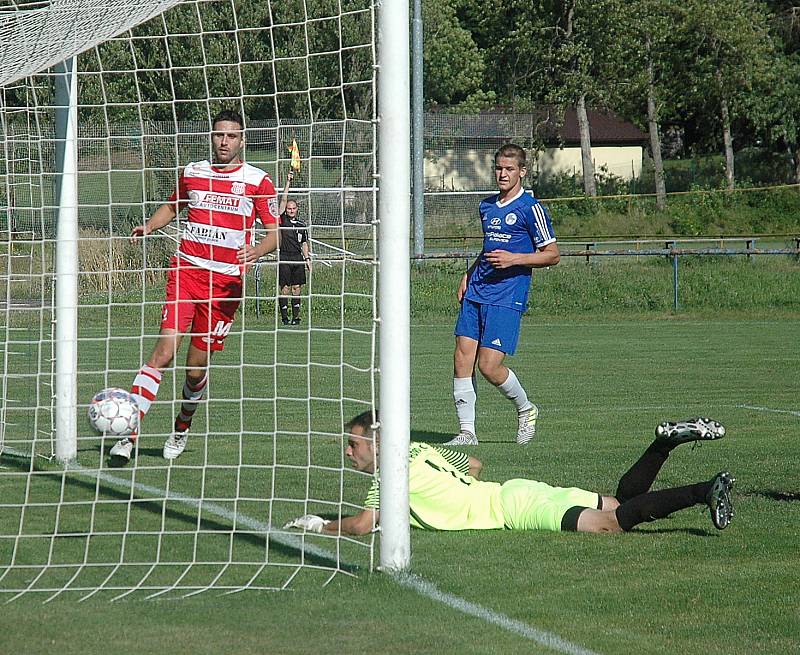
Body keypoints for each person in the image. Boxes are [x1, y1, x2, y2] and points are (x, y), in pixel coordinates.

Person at [109, 109, 280, 464]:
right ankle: (128, 434)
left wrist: (256, 250)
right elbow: (173, 206)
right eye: (219, 135)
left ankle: (182, 426)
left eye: (231, 136)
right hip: (186, 270)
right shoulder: (192, 173)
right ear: (211, 137)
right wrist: (149, 226)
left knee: (194, 368)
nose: (224, 142)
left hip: (225, 285)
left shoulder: (258, 181)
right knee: (164, 352)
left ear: (242, 140)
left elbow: (274, 234)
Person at [283, 412, 735, 536]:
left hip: (515, 508)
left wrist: (321, 524)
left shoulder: (386, 481)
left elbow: (364, 525)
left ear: (377, 444)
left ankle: (704, 491)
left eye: (353, 443)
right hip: (517, 488)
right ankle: (663, 443)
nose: (348, 452)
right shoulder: (419, 450)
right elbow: (474, 465)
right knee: (619, 503)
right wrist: (456, 492)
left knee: (613, 524)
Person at [447, 143, 560, 447]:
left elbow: (552, 255)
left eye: (510, 169)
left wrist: (514, 259)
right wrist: (469, 273)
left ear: (522, 172)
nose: (503, 174)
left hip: (507, 295)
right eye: (498, 168)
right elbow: (489, 249)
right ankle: (467, 432)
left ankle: (526, 408)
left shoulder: (530, 208)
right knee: (461, 359)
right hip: (478, 289)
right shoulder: (486, 206)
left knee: (489, 366)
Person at [276, 170, 311, 325]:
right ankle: (284, 317)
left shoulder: (302, 225)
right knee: (285, 289)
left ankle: (296, 317)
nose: (290, 210)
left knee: (297, 288)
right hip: (284, 256)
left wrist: (307, 258)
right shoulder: (282, 219)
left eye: (293, 208)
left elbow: (304, 243)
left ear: (297, 209)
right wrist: (288, 182)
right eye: (289, 208)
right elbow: (283, 200)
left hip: (297, 258)